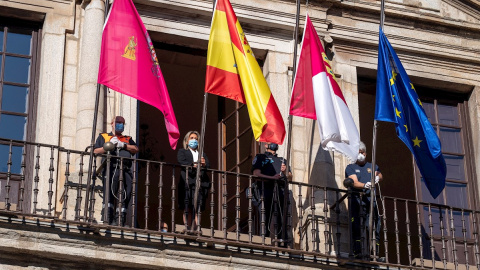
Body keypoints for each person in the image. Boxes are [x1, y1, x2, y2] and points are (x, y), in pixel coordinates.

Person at [94, 116, 138, 226]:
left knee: (124, 194)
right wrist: (108, 147)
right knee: (109, 192)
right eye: (118, 122)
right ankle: (107, 218)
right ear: (112, 123)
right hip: (111, 168)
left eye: (122, 123)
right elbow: (95, 150)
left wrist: (123, 145)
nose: (120, 125)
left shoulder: (127, 138)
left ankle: (120, 219)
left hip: (125, 169)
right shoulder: (104, 136)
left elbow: (136, 149)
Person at [345, 141, 383, 259]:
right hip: (358, 202)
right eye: (358, 153)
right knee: (357, 227)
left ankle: (374, 253)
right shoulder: (351, 167)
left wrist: (377, 178)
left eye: (361, 152)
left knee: (374, 227)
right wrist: (364, 185)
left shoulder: (371, 166)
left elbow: (380, 174)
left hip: (371, 202)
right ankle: (358, 252)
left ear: (365, 153)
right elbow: (354, 181)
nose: (360, 155)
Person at [252, 142, 292, 239]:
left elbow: (290, 177)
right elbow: (256, 174)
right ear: (265, 145)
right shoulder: (260, 157)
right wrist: (272, 178)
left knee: (281, 218)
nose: (274, 143)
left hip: (280, 191)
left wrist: (285, 171)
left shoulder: (282, 160)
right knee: (265, 217)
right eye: (271, 141)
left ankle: (282, 243)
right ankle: (263, 241)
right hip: (265, 190)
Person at [177, 131, 210, 234]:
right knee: (188, 206)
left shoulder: (202, 154)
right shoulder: (182, 151)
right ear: (187, 141)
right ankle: (188, 227)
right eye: (191, 138)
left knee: (197, 207)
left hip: (199, 183)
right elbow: (181, 161)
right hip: (187, 182)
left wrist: (204, 164)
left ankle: (195, 228)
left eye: (196, 138)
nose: (194, 140)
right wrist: (193, 165)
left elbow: (208, 166)